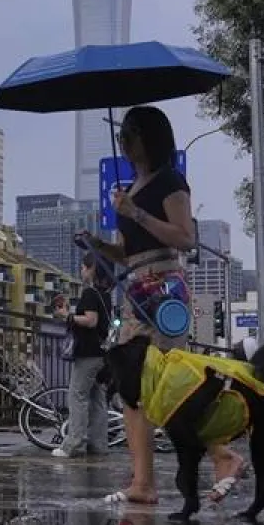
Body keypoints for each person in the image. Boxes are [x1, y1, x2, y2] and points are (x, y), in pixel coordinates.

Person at [78, 106, 237, 503]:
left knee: (166, 386)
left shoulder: (170, 182)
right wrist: (99, 245)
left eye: (129, 134)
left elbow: (184, 238)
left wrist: (136, 213)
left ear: (148, 137)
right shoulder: (129, 188)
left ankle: (222, 455)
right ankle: (142, 481)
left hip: (164, 290)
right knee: (133, 388)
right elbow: (129, 251)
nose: (123, 142)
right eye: (121, 136)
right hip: (136, 290)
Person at [50, 252, 109, 458]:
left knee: (77, 396)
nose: (82, 271)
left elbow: (91, 320)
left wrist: (67, 315)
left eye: (84, 267)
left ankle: (74, 445)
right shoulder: (105, 293)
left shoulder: (90, 293)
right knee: (97, 399)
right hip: (102, 354)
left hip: (88, 354)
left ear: (91, 268)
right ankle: (98, 445)